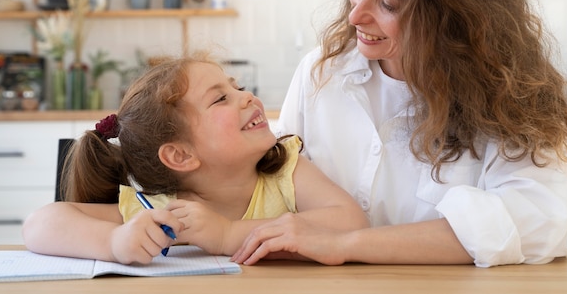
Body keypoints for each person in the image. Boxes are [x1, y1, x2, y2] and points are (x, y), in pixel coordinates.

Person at [231, 0, 567, 268]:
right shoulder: (319, 74)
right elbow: (268, 189)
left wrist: (346, 244)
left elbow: (537, 223)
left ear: (454, 18)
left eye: (388, 2)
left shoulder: (511, 97)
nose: (357, 14)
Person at [22, 51, 368, 265]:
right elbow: (39, 225)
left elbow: (351, 222)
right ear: (180, 155)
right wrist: (114, 242)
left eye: (237, 87)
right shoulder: (161, 210)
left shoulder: (285, 171)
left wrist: (228, 234)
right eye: (221, 99)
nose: (246, 96)